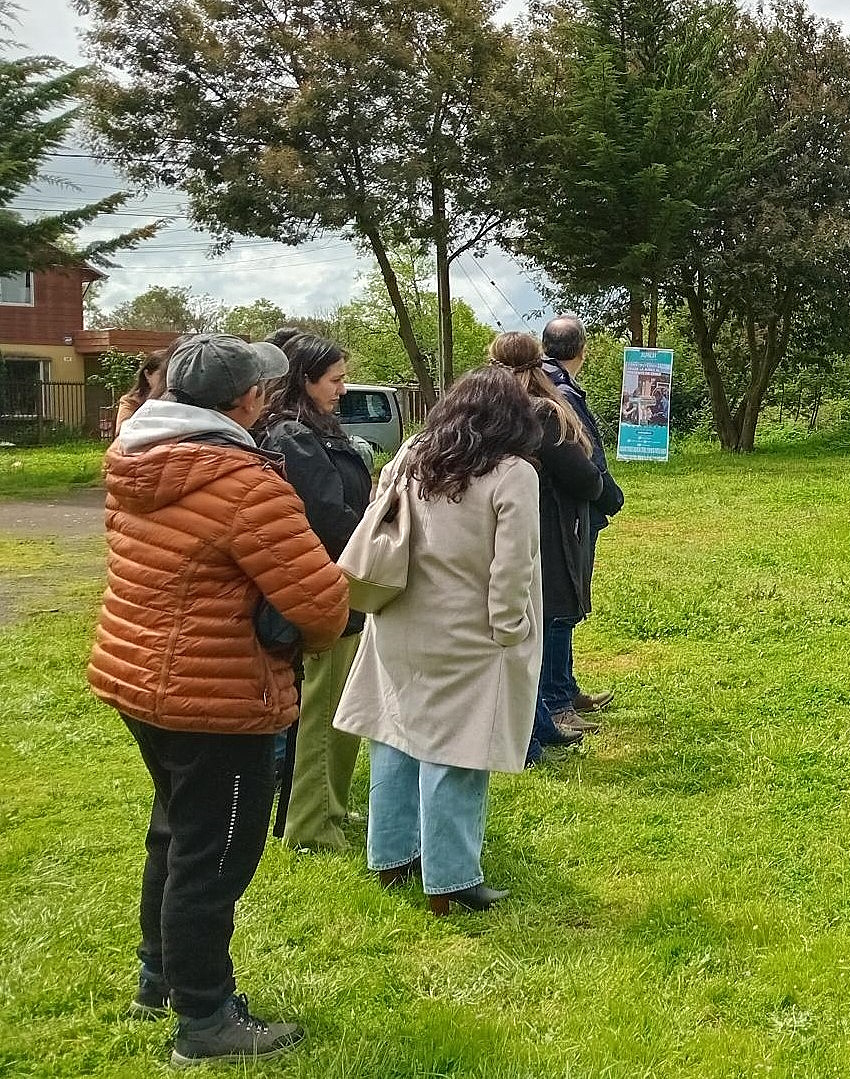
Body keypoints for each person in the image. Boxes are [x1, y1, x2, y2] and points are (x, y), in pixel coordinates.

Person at [89, 333, 349, 1066]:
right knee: (214, 857)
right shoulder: (244, 481)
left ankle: (159, 977)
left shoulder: (135, 457)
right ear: (248, 400)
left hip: (139, 677)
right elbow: (321, 604)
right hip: (217, 690)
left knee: (174, 832)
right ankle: (204, 1019)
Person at [333, 366, 547, 915]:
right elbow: (512, 566)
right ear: (513, 418)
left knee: (395, 734)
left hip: (399, 617)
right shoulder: (513, 472)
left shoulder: (412, 454)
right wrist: (509, 629)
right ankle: (450, 879)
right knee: (457, 751)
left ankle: (391, 855)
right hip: (468, 633)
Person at [253, 332, 373, 851]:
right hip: (324, 583)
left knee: (339, 708)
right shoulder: (290, 437)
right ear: (304, 379)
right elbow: (324, 516)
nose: (343, 390)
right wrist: (378, 536)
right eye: (335, 379)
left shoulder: (312, 430)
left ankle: (331, 808)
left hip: (339, 582)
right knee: (325, 712)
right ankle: (312, 827)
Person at [487, 331, 606, 762]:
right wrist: (598, 485)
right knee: (537, 622)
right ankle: (532, 733)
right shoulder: (541, 410)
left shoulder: (483, 406)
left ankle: (538, 722)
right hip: (544, 525)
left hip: (496, 524)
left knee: (522, 626)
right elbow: (580, 471)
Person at [538, 317, 624, 737]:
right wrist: (608, 495)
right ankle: (555, 703)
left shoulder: (548, 384)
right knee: (561, 605)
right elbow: (583, 458)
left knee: (565, 601)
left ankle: (565, 690)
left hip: (564, 508)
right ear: (581, 351)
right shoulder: (561, 393)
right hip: (566, 510)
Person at [114, 350, 167, 430]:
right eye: (162, 375)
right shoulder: (131, 401)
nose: (166, 379)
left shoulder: (178, 399)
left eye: (169, 374)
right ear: (147, 374)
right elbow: (122, 432)